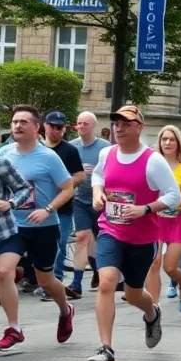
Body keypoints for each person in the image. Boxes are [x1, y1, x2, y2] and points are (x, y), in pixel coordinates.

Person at [87, 106, 181, 361]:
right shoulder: (107, 153)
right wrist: (97, 192)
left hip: (142, 238)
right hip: (110, 229)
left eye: (126, 124)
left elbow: (174, 195)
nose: (119, 128)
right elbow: (97, 175)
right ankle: (106, 350)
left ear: (139, 127)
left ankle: (152, 313)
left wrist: (146, 208)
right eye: (116, 123)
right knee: (106, 283)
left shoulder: (152, 160)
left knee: (133, 294)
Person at [0, 106, 76, 348]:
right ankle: (14, 328)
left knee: (45, 280)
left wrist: (47, 210)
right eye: (14, 122)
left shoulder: (48, 157)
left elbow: (68, 188)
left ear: (36, 127)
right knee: (3, 272)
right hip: (12, 227)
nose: (18, 126)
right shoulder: (4, 154)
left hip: (43, 226)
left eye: (23, 122)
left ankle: (65, 310)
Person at [148, 125, 181, 312]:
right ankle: (154, 307)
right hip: (157, 220)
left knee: (170, 267)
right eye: (164, 139)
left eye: (172, 139)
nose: (168, 143)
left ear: (178, 143)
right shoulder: (152, 165)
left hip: (179, 219)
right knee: (154, 262)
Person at [40, 111, 85, 295]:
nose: (56, 130)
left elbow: (81, 176)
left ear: (65, 128)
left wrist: (66, 184)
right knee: (38, 245)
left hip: (63, 207)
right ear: (44, 126)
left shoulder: (69, 150)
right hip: (37, 205)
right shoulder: (37, 148)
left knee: (60, 242)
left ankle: (55, 282)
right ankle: (37, 280)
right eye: (52, 126)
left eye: (60, 127)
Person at [68, 112, 110, 298]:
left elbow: (112, 171)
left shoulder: (105, 147)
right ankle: (76, 283)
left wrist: (97, 175)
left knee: (99, 241)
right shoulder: (71, 147)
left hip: (101, 201)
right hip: (79, 199)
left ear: (93, 126)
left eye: (85, 123)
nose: (81, 127)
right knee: (82, 237)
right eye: (79, 123)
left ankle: (97, 271)